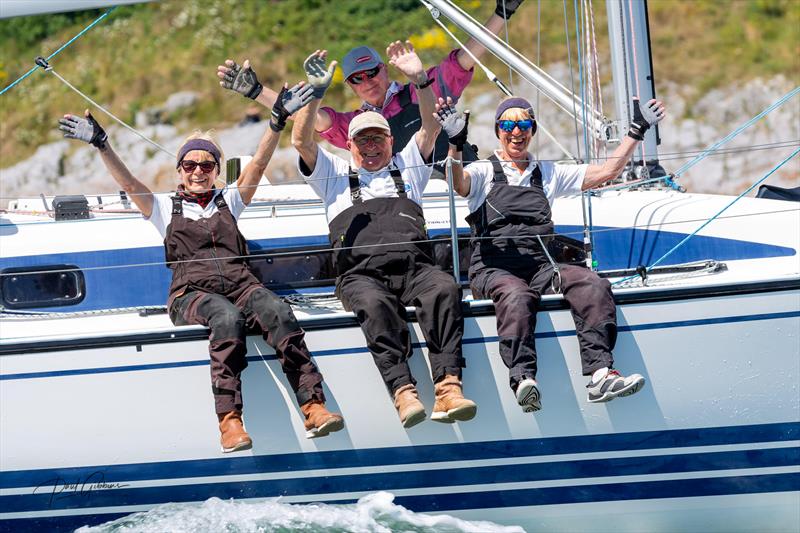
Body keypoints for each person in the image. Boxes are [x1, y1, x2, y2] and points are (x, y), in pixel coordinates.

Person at [57, 83, 344, 453]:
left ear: (215, 171)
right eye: (190, 165)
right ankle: (229, 420)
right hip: (190, 295)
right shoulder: (164, 209)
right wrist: (102, 144)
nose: (197, 171)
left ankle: (312, 404)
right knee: (226, 318)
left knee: (278, 311)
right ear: (179, 170)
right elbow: (128, 182)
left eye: (206, 165)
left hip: (241, 285)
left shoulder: (230, 202)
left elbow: (257, 165)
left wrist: (276, 122)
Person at [436, 95, 666, 412]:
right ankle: (522, 379)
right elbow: (456, 183)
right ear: (498, 130)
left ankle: (601, 374)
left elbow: (607, 172)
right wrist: (455, 143)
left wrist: (637, 130)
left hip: (541, 267)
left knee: (592, 283)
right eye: (508, 124)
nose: (516, 131)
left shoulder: (548, 173)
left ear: (532, 129)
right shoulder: (483, 172)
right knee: (517, 295)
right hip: (493, 269)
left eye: (524, 124)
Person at [291, 45, 477, 428]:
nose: (371, 147)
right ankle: (403, 392)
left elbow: (431, 126)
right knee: (375, 304)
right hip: (360, 275)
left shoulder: (409, 166)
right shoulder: (333, 176)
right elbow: (301, 142)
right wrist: (315, 95)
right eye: (363, 141)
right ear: (349, 145)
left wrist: (421, 80)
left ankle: (448, 386)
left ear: (391, 142)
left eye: (378, 139)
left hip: (414, 268)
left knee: (443, 286)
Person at [217, 0, 527, 166]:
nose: (367, 81)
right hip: (412, 210)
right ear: (351, 86)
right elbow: (308, 115)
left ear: (386, 70)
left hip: (460, 187)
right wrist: (257, 91)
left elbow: (467, 58)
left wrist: (502, 12)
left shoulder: (423, 86)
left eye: (372, 72)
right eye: (357, 79)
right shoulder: (355, 125)